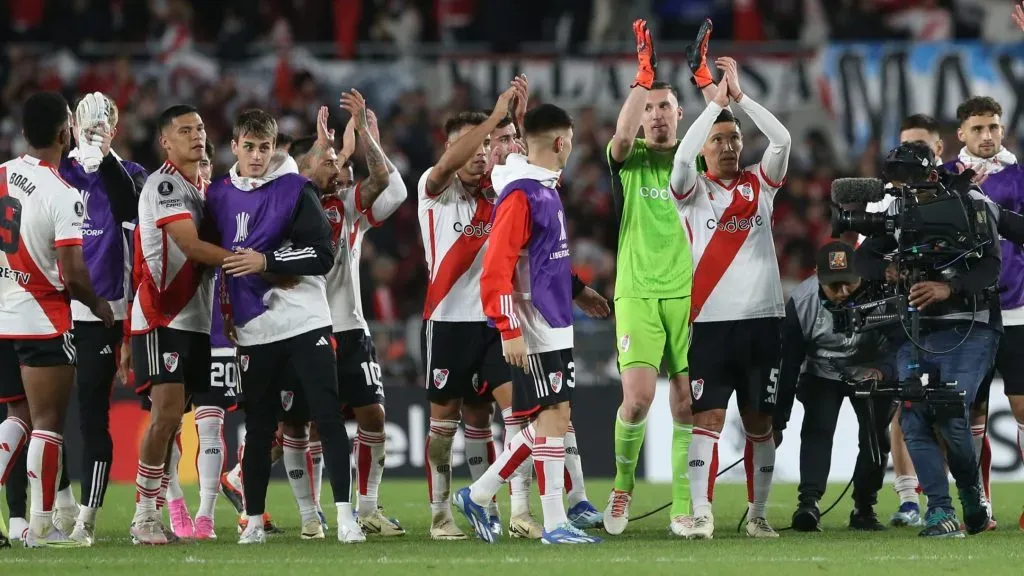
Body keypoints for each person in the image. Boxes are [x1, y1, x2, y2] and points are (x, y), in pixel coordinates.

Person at [208, 109, 364, 544]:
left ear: (274, 148)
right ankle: (253, 521)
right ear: (235, 146)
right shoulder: (218, 195)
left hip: (305, 322)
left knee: (328, 418)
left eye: (265, 148)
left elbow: (322, 254)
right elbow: (208, 255)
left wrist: (267, 261)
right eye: (249, 147)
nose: (257, 156)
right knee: (258, 427)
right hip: (254, 329)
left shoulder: (295, 189)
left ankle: (346, 517)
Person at [454, 103, 601, 545]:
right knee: (553, 416)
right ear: (560, 143)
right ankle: (553, 521)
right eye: (570, 141)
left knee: (554, 416)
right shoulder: (521, 194)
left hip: (554, 317)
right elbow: (495, 269)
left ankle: (481, 494)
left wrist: (578, 291)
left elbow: (544, 259)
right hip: (534, 322)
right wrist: (508, 327)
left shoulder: (542, 187)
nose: (571, 148)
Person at [669, 56, 792, 539]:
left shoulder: (759, 185)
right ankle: (702, 513)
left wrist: (740, 100)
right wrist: (713, 107)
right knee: (709, 419)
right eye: (717, 140)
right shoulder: (691, 191)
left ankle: (758, 515)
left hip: (764, 322)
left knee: (761, 422)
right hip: (713, 324)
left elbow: (781, 139)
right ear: (703, 148)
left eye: (733, 138)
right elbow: (680, 159)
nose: (727, 146)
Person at [857, 140, 999, 537]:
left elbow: (990, 267)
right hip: (915, 330)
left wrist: (947, 288)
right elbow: (863, 258)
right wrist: (886, 272)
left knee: (951, 410)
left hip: (970, 325)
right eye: (897, 181)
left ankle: (970, 491)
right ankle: (940, 509)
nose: (904, 188)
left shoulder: (972, 203)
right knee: (915, 414)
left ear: (933, 175)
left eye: (911, 180)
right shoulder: (898, 212)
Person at [603, 18, 706, 535]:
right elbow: (619, 136)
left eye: (666, 106)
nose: (658, 115)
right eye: (650, 108)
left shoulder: (700, 161)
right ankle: (623, 487)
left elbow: (722, 128)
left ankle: (683, 506)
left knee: (687, 402)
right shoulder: (631, 158)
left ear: (680, 114)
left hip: (689, 292)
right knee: (638, 399)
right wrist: (641, 80)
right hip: (638, 290)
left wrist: (709, 82)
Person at [290, 93, 408, 537]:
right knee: (297, 424)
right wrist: (331, 151)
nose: (339, 171)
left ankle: (369, 507)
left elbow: (391, 186)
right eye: (330, 162)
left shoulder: (350, 206)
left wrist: (364, 139)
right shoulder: (288, 203)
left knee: (373, 416)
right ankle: (306, 515)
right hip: (302, 328)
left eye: (344, 166)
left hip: (350, 329)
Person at [0, 92, 115, 547]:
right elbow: (73, 274)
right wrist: (101, 307)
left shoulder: (2, 175)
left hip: (2, 314)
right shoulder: (62, 194)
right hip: (41, 318)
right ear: (65, 132)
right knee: (48, 423)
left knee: (18, 416)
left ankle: (30, 523)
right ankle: (42, 528)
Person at [416, 79, 525, 540]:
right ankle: (441, 515)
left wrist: (515, 123)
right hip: (446, 323)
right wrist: (491, 121)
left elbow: (528, 164)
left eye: (486, 145)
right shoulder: (433, 188)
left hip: (493, 322)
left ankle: (507, 510)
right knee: (443, 431)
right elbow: (448, 165)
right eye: (472, 143)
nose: (481, 152)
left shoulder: (500, 193)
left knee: (515, 418)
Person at [128, 105, 233, 545]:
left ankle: (157, 509)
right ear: (165, 142)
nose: (197, 136)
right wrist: (246, 262)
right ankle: (144, 514)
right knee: (167, 413)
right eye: (185, 130)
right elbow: (188, 245)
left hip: (194, 321)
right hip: (161, 314)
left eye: (201, 128)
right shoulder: (167, 183)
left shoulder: (202, 188)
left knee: (173, 421)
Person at [57, 92, 148, 545]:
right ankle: (58, 504)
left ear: (116, 129)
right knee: (43, 417)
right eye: (88, 127)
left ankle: (86, 519)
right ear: (72, 127)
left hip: (105, 314)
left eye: (104, 126)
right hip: (53, 308)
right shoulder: (57, 172)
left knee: (93, 417)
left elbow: (130, 207)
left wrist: (105, 157)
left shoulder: (131, 174)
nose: (94, 133)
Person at [775, 241, 896, 532]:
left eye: (849, 283)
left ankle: (864, 507)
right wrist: (778, 418)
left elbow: (900, 343)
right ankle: (808, 504)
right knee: (818, 429)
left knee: (876, 439)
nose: (842, 292)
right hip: (821, 372)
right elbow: (789, 362)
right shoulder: (802, 301)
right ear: (817, 276)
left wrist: (883, 371)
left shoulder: (884, 293)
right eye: (833, 285)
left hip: (872, 371)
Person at [943, 97, 1024, 530]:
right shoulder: (945, 180)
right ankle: (981, 504)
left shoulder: (1020, 177)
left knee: (1023, 406)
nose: (987, 135)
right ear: (961, 134)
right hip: (966, 314)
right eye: (978, 129)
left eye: (993, 127)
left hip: (1017, 310)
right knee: (972, 414)